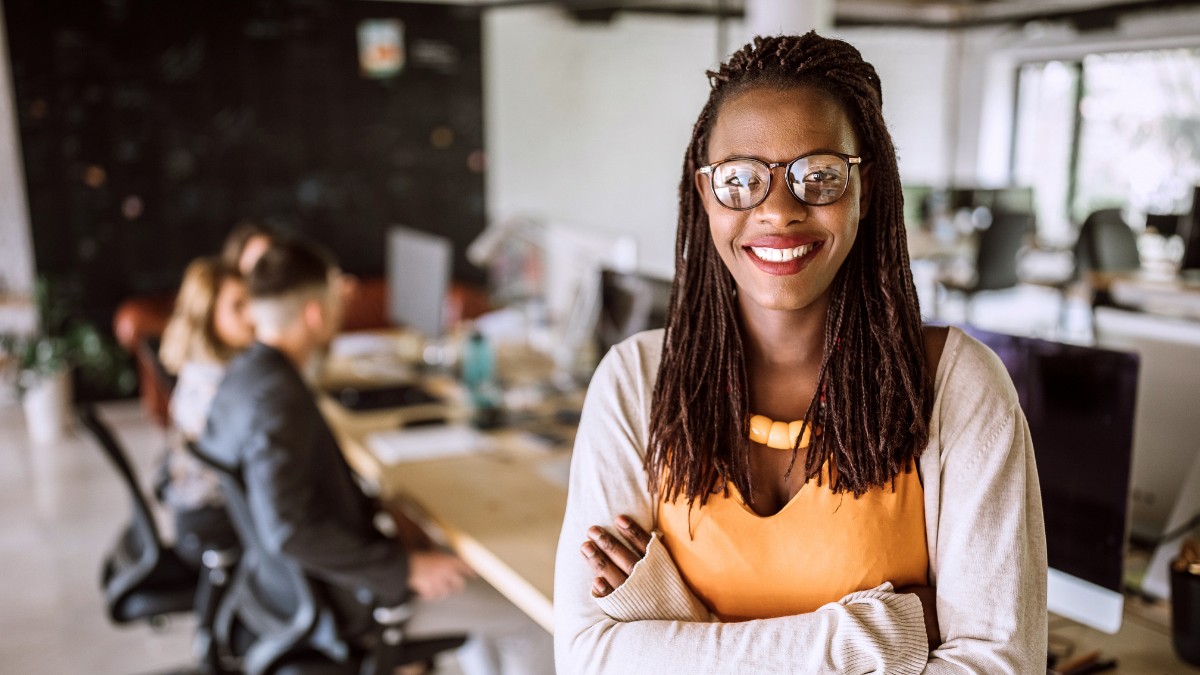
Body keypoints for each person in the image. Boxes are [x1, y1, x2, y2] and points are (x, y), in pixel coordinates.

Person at [554, 32, 1047, 673]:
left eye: (819, 176)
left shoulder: (959, 387)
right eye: (740, 180)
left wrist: (675, 626)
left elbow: (998, 666)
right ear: (705, 195)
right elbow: (589, 658)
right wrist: (874, 636)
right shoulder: (635, 381)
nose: (780, 210)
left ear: (864, 189)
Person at [201, 236, 553, 674]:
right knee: (534, 618)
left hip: (287, 584)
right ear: (314, 313)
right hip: (346, 597)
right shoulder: (280, 398)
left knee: (467, 572)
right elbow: (289, 529)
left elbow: (296, 496)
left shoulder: (246, 375)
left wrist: (381, 506)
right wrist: (403, 568)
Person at [156, 256, 254, 567]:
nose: (251, 315)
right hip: (212, 517)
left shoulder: (206, 368)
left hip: (202, 506)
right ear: (207, 315)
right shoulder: (216, 388)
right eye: (238, 306)